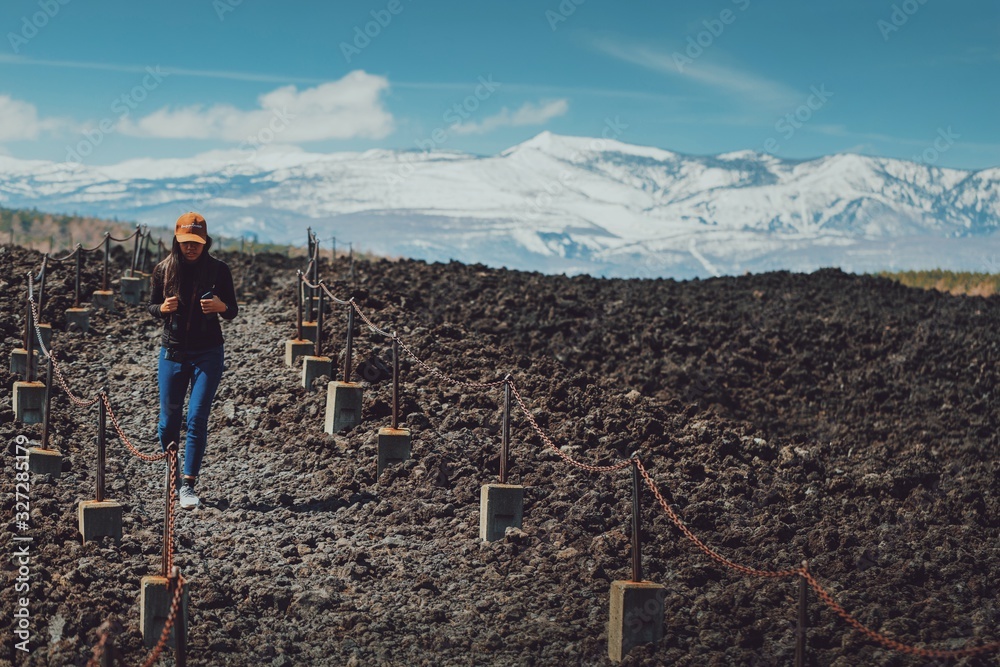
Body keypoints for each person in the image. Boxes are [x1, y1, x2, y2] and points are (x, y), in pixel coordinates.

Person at [147, 212, 238, 509]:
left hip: (208, 354)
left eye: (196, 242)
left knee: (197, 418)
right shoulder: (163, 270)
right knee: (168, 422)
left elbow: (232, 310)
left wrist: (220, 305)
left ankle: (187, 484)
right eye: (186, 241)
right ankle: (171, 474)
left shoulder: (219, 270)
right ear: (177, 239)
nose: (191, 247)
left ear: (205, 242)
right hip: (172, 352)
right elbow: (150, 306)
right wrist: (161, 308)